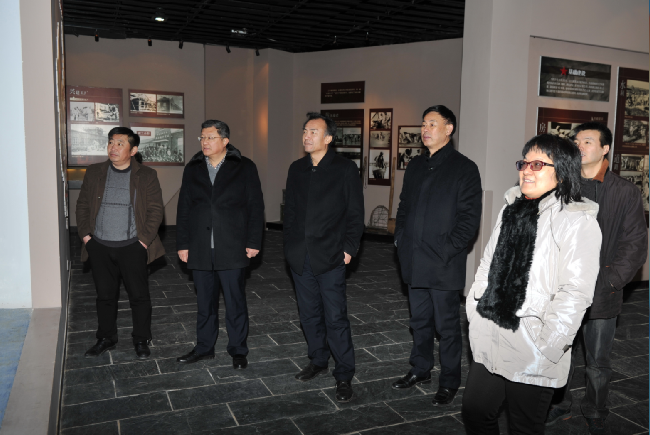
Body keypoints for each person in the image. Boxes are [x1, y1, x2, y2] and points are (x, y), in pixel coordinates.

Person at [462, 134, 602, 435]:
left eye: (538, 164)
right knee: (475, 411)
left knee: (523, 426)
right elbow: (487, 264)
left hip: (534, 345)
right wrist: (474, 309)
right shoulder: (510, 209)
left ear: (562, 171)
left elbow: (575, 292)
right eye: (524, 163)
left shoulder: (577, 221)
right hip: (491, 334)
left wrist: (549, 345)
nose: (527, 170)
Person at [546, 123, 647, 434]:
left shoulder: (624, 192)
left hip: (602, 290)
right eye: (576, 140)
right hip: (562, 289)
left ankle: (595, 408)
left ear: (605, 149)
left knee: (598, 361)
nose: (579, 145)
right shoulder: (561, 185)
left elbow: (634, 245)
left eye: (587, 141)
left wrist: (610, 282)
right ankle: (558, 403)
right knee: (558, 353)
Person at [392, 105, 482, 406]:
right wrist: (400, 239)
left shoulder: (464, 168)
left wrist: (446, 249)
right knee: (419, 321)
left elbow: (469, 220)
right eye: (423, 124)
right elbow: (404, 207)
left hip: (443, 263)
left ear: (449, 129)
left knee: (447, 327)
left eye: (432, 123)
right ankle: (420, 369)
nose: (425, 129)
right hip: (413, 259)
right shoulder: (416, 165)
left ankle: (449, 380)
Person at [283, 112, 364, 403]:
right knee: (308, 314)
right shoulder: (297, 168)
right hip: (300, 255)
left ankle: (344, 373)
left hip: (331, 255)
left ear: (328, 138)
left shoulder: (344, 168)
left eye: (313, 132)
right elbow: (290, 211)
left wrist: (349, 248)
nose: (307, 136)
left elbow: (355, 213)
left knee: (335, 317)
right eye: (305, 131)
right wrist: (289, 246)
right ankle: (318, 359)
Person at [175, 120, 264, 369]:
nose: (205, 142)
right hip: (200, 246)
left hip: (233, 245)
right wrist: (183, 243)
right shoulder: (193, 168)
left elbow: (255, 206)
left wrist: (253, 241)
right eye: (202, 137)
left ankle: (238, 350)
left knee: (235, 302)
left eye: (210, 137)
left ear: (225, 141)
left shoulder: (244, 166)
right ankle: (204, 347)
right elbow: (184, 207)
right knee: (205, 302)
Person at [77, 127, 165, 359]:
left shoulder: (147, 175)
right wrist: (87, 237)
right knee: (104, 296)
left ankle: (141, 339)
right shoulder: (94, 172)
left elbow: (156, 211)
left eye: (120, 143)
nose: (113, 147)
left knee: (139, 296)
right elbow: (83, 205)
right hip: (100, 245)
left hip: (132, 246)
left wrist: (143, 242)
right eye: (110, 142)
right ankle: (106, 337)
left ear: (133, 150)